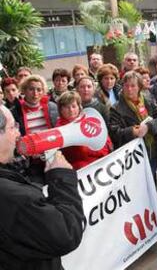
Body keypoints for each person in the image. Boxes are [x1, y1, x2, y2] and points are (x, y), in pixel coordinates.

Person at [0, 105, 84, 269]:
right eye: (12, 127)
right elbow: (67, 232)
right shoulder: (11, 196)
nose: (18, 133)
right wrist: (62, 177)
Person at [109, 71, 157, 177]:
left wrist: (149, 126)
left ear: (139, 87)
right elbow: (114, 132)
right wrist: (132, 131)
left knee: (152, 181)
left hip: (152, 150)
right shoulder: (115, 108)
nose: (129, 89)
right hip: (133, 156)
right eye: (126, 86)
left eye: (133, 86)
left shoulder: (148, 99)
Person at [56, 91, 112, 170]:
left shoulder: (88, 120)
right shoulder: (60, 129)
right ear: (61, 110)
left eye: (74, 106)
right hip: (82, 168)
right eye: (67, 107)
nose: (71, 110)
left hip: (101, 162)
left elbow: (106, 141)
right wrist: (99, 150)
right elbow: (81, 153)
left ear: (79, 107)